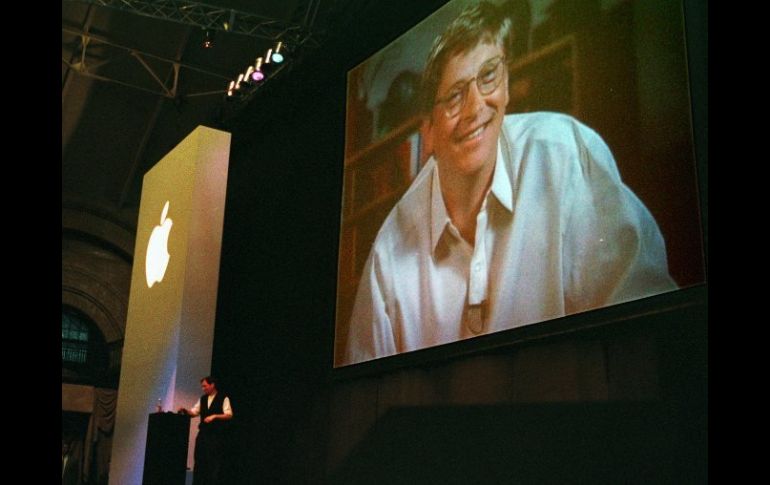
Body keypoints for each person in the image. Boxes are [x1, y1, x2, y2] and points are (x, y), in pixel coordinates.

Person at [340, 0, 676, 366]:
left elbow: (649, 327)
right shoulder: (389, 252)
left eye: (488, 76)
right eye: (454, 96)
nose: (475, 108)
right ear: (428, 133)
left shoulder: (563, 155)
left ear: (507, 88)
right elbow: (368, 386)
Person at [178, 376, 233, 485]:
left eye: (205, 386)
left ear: (212, 385)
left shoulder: (223, 398)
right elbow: (194, 412)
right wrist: (185, 410)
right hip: (203, 435)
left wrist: (215, 416)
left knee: (213, 463)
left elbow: (229, 415)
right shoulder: (202, 399)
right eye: (202, 386)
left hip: (216, 436)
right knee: (199, 461)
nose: (203, 388)